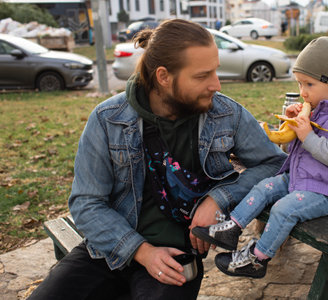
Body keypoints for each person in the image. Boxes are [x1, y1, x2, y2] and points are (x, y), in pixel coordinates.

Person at [29, 19, 286, 299]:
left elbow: (274, 164)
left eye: (215, 71)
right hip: (109, 248)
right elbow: (87, 202)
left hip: (177, 260)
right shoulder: (108, 119)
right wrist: (141, 251)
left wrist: (219, 198)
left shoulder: (226, 114)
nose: (216, 84)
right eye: (202, 76)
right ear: (163, 76)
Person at [192, 36, 328, 278]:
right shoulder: (319, 105)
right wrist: (290, 124)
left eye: (308, 85)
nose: (303, 93)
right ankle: (232, 229)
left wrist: (308, 135)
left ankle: (257, 259)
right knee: (263, 187)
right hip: (301, 179)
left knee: (283, 209)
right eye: (299, 84)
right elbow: (293, 151)